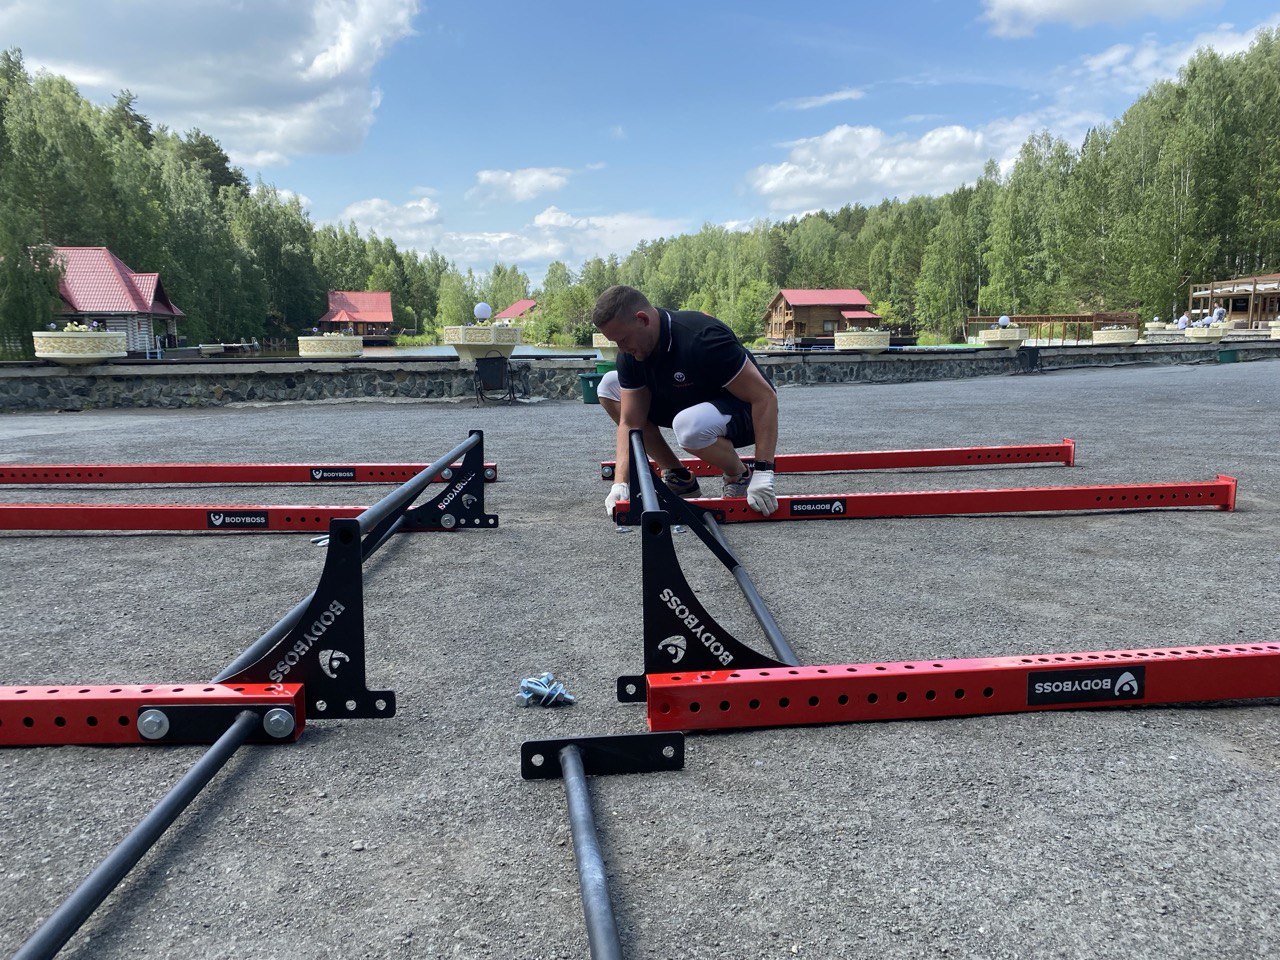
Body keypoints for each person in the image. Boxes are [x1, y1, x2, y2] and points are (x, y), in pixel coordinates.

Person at [592, 285, 779, 517]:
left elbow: (765, 397)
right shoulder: (629, 354)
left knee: (687, 426)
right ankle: (679, 477)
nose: (621, 349)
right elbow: (630, 422)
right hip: (689, 404)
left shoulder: (703, 337)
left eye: (623, 339)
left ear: (643, 319)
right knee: (609, 386)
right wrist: (620, 483)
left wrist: (764, 472)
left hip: (744, 412)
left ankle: (738, 474)